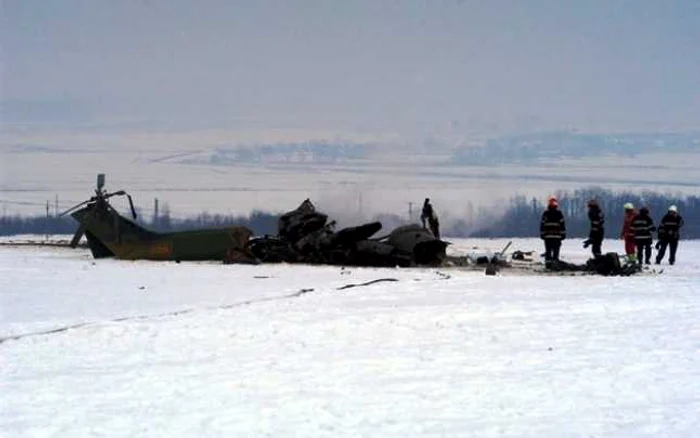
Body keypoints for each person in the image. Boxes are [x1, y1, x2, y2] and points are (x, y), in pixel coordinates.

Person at [540, 196, 566, 261]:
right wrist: (563, 235)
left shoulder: (545, 213)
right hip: (557, 237)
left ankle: (548, 264)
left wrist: (542, 234)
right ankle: (555, 264)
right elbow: (562, 225)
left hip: (548, 237)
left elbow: (542, 225)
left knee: (548, 251)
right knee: (556, 252)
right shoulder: (559, 213)